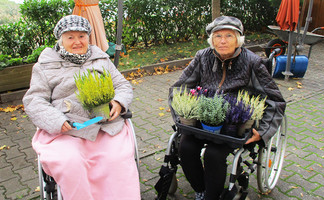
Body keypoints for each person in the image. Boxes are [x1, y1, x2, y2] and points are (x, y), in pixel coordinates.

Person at [23, 15, 140, 200]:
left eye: (82, 36)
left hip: (104, 126)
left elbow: (122, 86)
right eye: (70, 37)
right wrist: (56, 120)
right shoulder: (45, 66)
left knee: (116, 161)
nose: (77, 42)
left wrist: (118, 102)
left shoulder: (100, 59)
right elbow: (34, 100)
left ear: (88, 37)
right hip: (67, 130)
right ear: (60, 40)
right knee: (71, 163)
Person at [168, 16, 286, 200]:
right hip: (203, 119)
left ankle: (211, 197)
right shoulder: (202, 57)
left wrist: (262, 132)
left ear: (238, 39)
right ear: (211, 40)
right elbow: (179, 88)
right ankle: (201, 190)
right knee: (186, 147)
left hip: (234, 124)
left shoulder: (252, 62)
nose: (223, 41)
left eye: (229, 35)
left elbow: (275, 100)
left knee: (213, 155)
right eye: (218, 36)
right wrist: (181, 114)